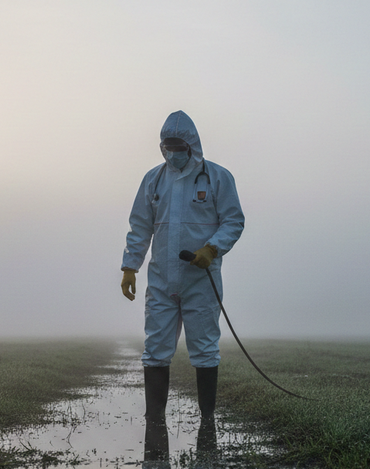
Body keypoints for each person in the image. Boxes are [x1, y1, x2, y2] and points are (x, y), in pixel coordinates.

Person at [120, 110, 245, 461]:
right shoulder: (153, 181)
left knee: (204, 348)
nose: (172, 152)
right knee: (156, 348)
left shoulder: (217, 178)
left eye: (178, 146)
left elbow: (234, 220)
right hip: (161, 280)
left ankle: (208, 421)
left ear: (191, 145)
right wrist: (130, 267)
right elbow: (140, 226)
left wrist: (212, 247)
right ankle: (154, 421)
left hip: (200, 279)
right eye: (166, 146)